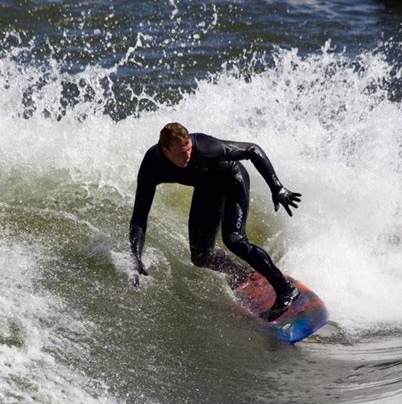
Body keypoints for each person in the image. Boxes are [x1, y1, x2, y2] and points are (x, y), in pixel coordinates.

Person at [129, 122, 302, 321]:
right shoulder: (152, 166)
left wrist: (277, 187)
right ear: (166, 151)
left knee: (234, 239)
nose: (187, 156)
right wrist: (136, 256)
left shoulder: (205, 147)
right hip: (206, 187)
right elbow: (139, 217)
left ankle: (286, 290)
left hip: (231, 179)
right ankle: (243, 273)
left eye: (189, 150)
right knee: (201, 257)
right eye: (181, 154)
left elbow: (253, 150)